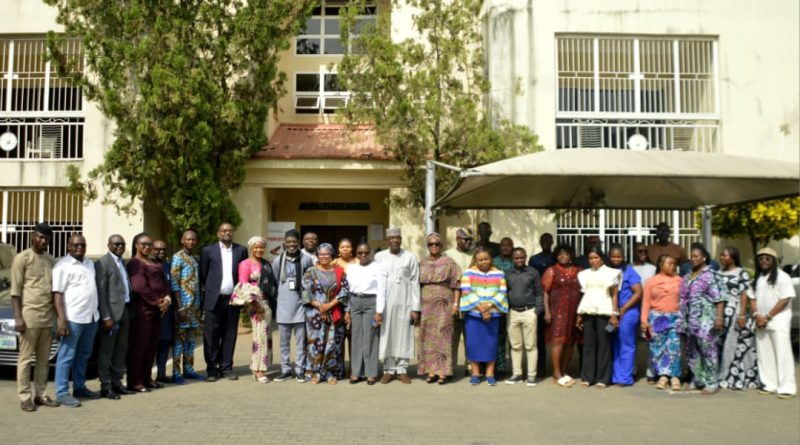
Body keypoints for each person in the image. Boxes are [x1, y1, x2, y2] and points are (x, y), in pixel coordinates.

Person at [11, 223, 59, 411]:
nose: (43, 241)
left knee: (43, 360)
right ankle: (24, 397)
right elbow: (15, 292)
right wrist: (18, 318)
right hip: (29, 315)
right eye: (40, 237)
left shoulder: (50, 259)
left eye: (46, 238)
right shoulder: (22, 258)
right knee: (25, 359)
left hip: (47, 316)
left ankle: (41, 394)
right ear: (33, 237)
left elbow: (54, 290)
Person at [51, 235, 100, 407]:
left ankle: (79, 387)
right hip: (73, 318)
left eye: (83, 245)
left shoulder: (89, 263)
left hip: (91, 317)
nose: (80, 247)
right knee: (66, 356)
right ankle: (61, 392)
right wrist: (61, 319)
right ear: (68, 246)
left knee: (83, 355)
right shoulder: (62, 266)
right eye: (76, 245)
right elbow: (57, 294)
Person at [200, 222, 248, 381]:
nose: (227, 233)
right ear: (218, 233)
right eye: (224, 230)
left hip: (232, 301)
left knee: (230, 335)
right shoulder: (208, 251)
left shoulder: (241, 250)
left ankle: (226, 367)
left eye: (230, 230)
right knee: (211, 336)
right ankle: (212, 369)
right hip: (213, 300)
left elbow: (243, 274)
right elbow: (204, 274)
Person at [749, 247, 796, 399]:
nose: (764, 261)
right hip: (761, 321)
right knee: (765, 354)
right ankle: (770, 384)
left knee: (782, 353)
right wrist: (757, 315)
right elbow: (752, 298)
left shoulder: (783, 277)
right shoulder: (757, 278)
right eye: (761, 259)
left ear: (774, 261)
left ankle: (787, 387)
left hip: (778, 320)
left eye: (767, 258)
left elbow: (784, 300)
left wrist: (767, 316)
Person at [127, 233, 171, 392]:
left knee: (152, 346)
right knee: (140, 346)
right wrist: (157, 302)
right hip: (143, 311)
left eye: (149, 244)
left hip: (157, 311)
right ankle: (135, 381)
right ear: (136, 245)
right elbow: (139, 287)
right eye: (143, 244)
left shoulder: (153, 261)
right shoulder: (135, 263)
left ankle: (147, 378)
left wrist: (167, 299)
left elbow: (165, 283)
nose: (147, 247)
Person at [375, 227, 420, 384]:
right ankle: (388, 370)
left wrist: (415, 308)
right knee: (387, 335)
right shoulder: (379, 257)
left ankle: (402, 370)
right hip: (386, 304)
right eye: (392, 238)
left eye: (397, 237)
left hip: (405, 303)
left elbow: (415, 282)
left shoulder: (410, 257)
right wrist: (378, 308)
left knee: (404, 335)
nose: (395, 240)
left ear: (401, 239)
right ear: (387, 240)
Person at [680, 243, 725, 394]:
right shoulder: (688, 276)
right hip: (689, 321)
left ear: (704, 257)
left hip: (706, 320)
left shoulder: (711, 275)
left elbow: (720, 298)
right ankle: (698, 379)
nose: (693, 259)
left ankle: (711, 382)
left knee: (708, 350)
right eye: (691, 256)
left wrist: (719, 317)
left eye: (696, 256)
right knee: (692, 351)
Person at [460, 247, 508, 386]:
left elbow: (502, 292)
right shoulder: (468, 272)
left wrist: (488, 306)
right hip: (473, 315)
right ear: (475, 260)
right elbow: (466, 291)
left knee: (491, 344)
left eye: (486, 259)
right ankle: (475, 374)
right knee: (473, 344)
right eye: (480, 260)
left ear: (490, 259)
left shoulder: (499, 273)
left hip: (493, 314)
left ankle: (489, 374)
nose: (483, 262)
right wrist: (480, 307)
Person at [232, 237, 277, 383]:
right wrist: (255, 305)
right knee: (260, 336)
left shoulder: (266, 264)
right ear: (251, 248)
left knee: (266, 335)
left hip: (266, 303)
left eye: (261, 247)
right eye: (256, 247)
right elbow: (243, 285)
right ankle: (258, 370)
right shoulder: (245, 264)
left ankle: (261, 367)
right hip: (254, 304)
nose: (259, 250)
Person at [418, 233, 461, 384]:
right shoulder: (421, 263)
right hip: (426, 306)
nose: (434, 246)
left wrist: (456, 304)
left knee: (444, 336)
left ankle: (443, 371)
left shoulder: (449, 262)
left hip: (444, 305)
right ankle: (431, 370)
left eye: (437, 244)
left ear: (441, 246)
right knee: (427, 337)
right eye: (431, 244)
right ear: (427, 246)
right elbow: (416, 286)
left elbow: (457, 284)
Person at [302, 243, 349, 384]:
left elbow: (345, 291)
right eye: (321, 254)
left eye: (327, 254)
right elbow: (305, 293)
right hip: (314, 314)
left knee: (332, 343)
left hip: (334, 312)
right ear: (317, 255)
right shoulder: (310, 272)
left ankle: (330, 373)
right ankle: (315, 373)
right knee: (315, 342)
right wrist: (320, 306)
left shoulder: (339, 272)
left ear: (332, 255)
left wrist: (329, 305)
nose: (324, 257)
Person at [95, 234, 134, 399]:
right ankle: (105, 386)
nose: (120, 247)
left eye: (122, 244)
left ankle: (117, 383)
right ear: (109, 245)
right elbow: (101, 291)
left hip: (124, 311)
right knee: (107, 352)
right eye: (116, 244)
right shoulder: (103, 263)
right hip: (111, 314)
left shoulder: (121, 262)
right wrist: (105, 316)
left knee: (121, 349)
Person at [273, 229, 315, 382]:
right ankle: (285, 369)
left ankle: (299, 370)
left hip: (300, 307)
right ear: (284, 243)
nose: (291, 244)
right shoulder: (278, 260)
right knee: (284, 343)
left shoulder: (306, 259)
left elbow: (310, 279)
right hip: (283, 306)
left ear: (299, 243)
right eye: (289, 242)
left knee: (300, 343)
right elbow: (276, 279)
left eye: (294, 242)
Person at [576, 247, 620, 388]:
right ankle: (588, 377)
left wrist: (614, 314)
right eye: (590, 258)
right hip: (588, 312)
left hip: (604, 313)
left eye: (596, 257)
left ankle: (603, 378)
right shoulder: (584, 274)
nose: (593, 260)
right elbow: (584, 294)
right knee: (588, 346)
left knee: (604, 346)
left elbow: (614, 295)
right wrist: (579, 314)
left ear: (602, 258)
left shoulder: (611, 273)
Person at [716, 246, 758, 390]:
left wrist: (741, 315)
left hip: (735, 312)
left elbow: (744, 294)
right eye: (721, 255)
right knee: (721, 345)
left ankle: (730, 377)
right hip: (720, 314)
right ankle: (721, 374)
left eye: (724, 255)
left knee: (732, 346)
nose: (721, 258)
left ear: (733, 257)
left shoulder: (742, 273)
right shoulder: (718, 273)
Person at [640, 255, 683, 391]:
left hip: (675, 317)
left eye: (674, 264)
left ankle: (675, 376)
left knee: (674, 346)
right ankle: (663, 375)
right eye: (669, 263)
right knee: (658, 347)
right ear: (660, 265)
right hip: (657, 318)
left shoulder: (680, 280)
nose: (673, 266)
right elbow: (646, 302)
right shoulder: (651, 281)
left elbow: (684, 301)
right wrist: (644, 320)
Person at [347, 241, 387, 385]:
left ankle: (371, 373)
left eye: (366, 252)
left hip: (371, 303)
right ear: (356, 254)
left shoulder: (378, 268)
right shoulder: (351, 268)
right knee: (356, 337)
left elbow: (382, 291)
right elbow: (348, 290)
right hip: (355, 303)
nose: (363, 255)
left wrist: (379, 311)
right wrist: (347, 310)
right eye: (360, 253)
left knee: (371, 337)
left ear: (370, 253)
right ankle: (356, 372)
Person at [542, 245, 583, 387]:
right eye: (560, 254)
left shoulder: (579, 271)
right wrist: (547, 311)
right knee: (557, 341)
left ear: (571, 256)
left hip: (574, 311)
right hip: (557, 311)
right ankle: (556, 373)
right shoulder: (551, 271)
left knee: (570, 342)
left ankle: (563, 371)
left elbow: (584, 291)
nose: (563, 256)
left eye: (566, 254)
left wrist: (581, 313)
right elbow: (545, 292)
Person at [504, 247, 543, 387]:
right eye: (516, 258)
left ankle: (532, 375)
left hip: (529, 311)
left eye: (522, 257)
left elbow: (539, 292)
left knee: (531, 345)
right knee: (515, 346)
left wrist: (537, 310)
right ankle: (517, 374)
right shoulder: (507, 273)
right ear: (512, 259)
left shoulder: (533, 272)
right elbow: (504, 292)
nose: (519, 260)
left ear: (525, 257)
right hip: (513, 312)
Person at [170, 230, 203, 385]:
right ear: (182, 240)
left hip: (194, 307)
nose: (191, 242)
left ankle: (189, 370)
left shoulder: (195, 258)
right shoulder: (177, 257)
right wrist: (180, 307)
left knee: (191, 339)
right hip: (183, 306)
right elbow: (174, 283)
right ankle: (176, 373)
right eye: (188, 239)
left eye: (193, 239)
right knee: (179, 340)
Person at [607, 244, 642, 386]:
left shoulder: (629, 271)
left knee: (626, 344)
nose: (616, 259)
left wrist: (624, 308)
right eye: (613, 256)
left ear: (624, 256)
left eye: (619, 256)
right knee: (614, 344)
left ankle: (625, 377)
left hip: (628, 312)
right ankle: (615, 376)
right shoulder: (607, 270)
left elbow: (638, 292)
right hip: (612, 312)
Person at [443, 227, 474, 377]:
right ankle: (450, 367)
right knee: (452, 337)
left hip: (471, 301)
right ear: (457, 239)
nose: (468, 242)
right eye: (465, 239)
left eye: (470, 240)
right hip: (452, 301)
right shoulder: (447, 255)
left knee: (470, 336)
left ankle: (470, 366)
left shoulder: (474, 254)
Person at [528, 233, 554, 379]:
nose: (546, 242)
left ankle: (559, 368)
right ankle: (541, 367)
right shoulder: (534, 259)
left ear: (552, 242)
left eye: (548, 240)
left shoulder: (556, 257)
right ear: (540, 242)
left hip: (556, 299)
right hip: (540, 297)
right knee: (539, 336)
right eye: (543, 240)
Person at [153, 239, 175, 384]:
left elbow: (171, 287)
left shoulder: (168, 266)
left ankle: (161, 373)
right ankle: (146, 376)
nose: (161, 251)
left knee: (165, 342)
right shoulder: (147, 265)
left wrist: (167, 300)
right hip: (151, 311)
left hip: (166, 311)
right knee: (151, 344)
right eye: (158, 249)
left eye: (164, 249)